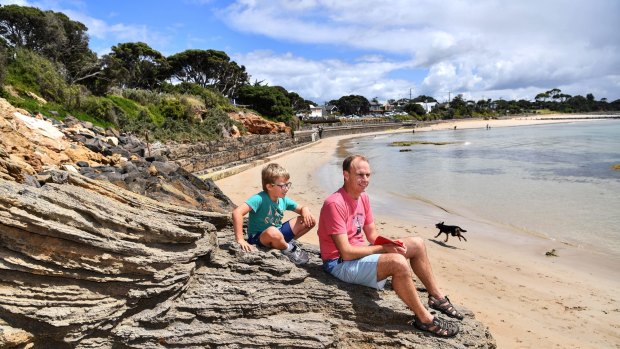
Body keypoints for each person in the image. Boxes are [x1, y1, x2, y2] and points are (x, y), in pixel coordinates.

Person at [317, 155, 462, 337]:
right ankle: (424, 319)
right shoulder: (334, 203)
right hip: (338, 264)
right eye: (360, 175)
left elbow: (372, 235)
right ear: (346, 175)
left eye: (368, 175)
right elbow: (345, 253)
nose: (366, 180)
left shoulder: (363, 198)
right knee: (398, 262)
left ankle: (437, 297)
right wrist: (384, 250)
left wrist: (392, 244)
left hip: (360, 255)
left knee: (417, 243)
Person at [233, 163, 316, 265]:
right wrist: (240, 239)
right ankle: (288, 249)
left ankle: (286, 242)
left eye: (287, 184)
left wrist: (306, 210)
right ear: (269, 186)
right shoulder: (259, 199)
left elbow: (302, 208)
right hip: (259, 237)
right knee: (272, 231)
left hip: (278, 231)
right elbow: (237, 212)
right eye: (282, 186)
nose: (286, 188)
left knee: (309, 221)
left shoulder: (283, 200)